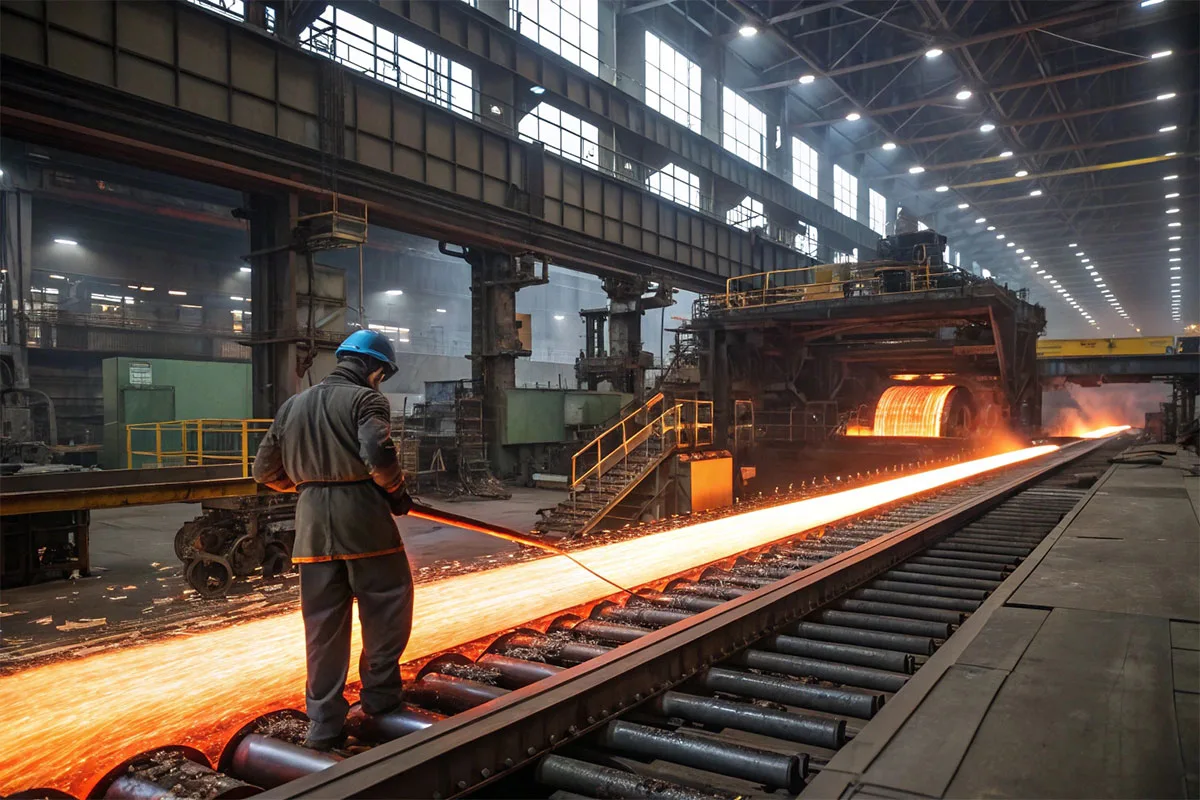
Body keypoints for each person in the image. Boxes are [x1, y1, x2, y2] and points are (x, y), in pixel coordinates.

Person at [252, 329, 414, 750]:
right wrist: (395, 492)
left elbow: (264, 472)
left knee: (322, 628)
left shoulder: (292, 405)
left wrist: (311, 485)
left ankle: (323, 726)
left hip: (310, 532)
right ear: (374, 368)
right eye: (382, 373)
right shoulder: (367, 399)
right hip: (363, 523)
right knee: (387, 604)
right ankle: (380, 700)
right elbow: (378, 455)